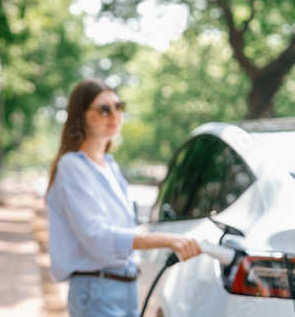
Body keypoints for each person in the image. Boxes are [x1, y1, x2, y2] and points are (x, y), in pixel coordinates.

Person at [46, 78, 201, 317]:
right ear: (82, 115)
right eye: (104, 109)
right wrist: (166, 239)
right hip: (96, 291)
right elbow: (98, 239)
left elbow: (125, 230)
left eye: (119, 107)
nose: (114, 114)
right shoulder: (72, 167)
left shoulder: (110, 166)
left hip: (127, 287)